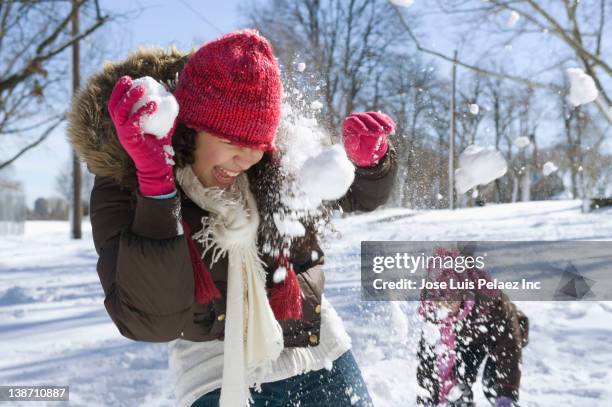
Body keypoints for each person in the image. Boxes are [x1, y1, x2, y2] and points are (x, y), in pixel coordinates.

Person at [68, 29, 397, 406]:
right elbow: (151, 321)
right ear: (191, 129)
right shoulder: (125, 178)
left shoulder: (277, 161)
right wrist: (156, 188)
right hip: (217, 376)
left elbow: (349, 195)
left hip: (323, 358)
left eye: (257, 146)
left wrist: (369, 165)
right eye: (232, 143)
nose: (246, 160)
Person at [416, 247, 529, 407]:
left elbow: (509, 346)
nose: (445, 307)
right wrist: (427, 398)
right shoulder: (434, 315)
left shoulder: (488, 301)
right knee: (455, 389)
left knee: (493, 387)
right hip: (466, 343)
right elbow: (428, 361)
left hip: (499, 339)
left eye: (451, 298)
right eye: (439, 300)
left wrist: (507, 392)